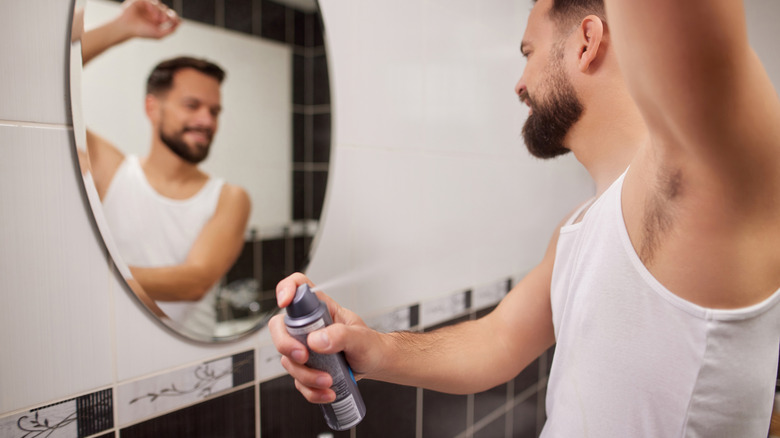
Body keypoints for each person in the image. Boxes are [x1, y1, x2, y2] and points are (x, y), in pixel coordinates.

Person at [270, 0, 780, 435]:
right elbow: (498, 341)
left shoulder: (692, 186)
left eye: (528, 54)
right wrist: (373, 350)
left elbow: (692, 39)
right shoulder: (579, 226)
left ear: (586, 41)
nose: (519, 84)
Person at [81, 0, 251, 325]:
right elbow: (41, 86)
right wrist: (121, 28)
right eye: (192, 105)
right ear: (152, 108)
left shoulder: (229, 198)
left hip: (191, 368)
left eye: (214, 111)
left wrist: (88, 275)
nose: (206, 120)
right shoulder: (111, 170)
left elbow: (195, 281)